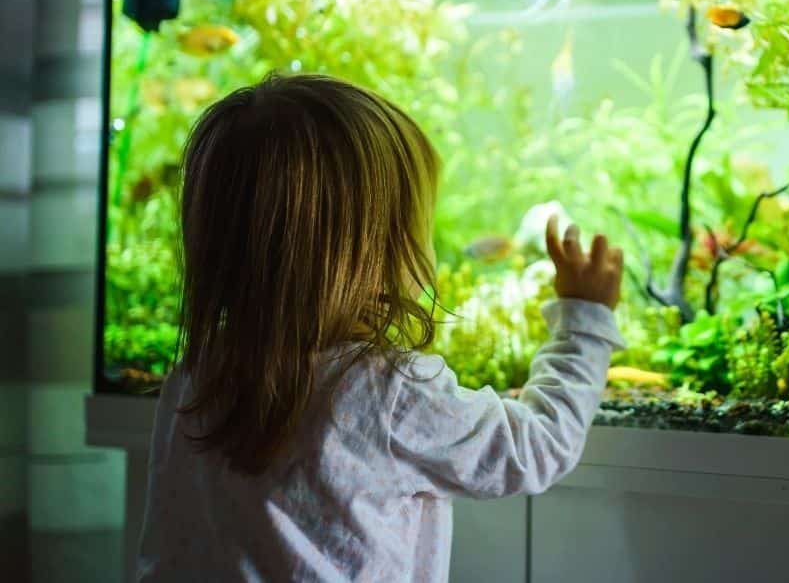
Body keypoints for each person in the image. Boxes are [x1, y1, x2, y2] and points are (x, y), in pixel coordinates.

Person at [136, 74, 625, 582]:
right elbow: (539, 447)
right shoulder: (388, 393)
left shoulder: (194, 377)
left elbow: (165, 551)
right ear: (372, 250)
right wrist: (583, 319)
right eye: (418, 225)